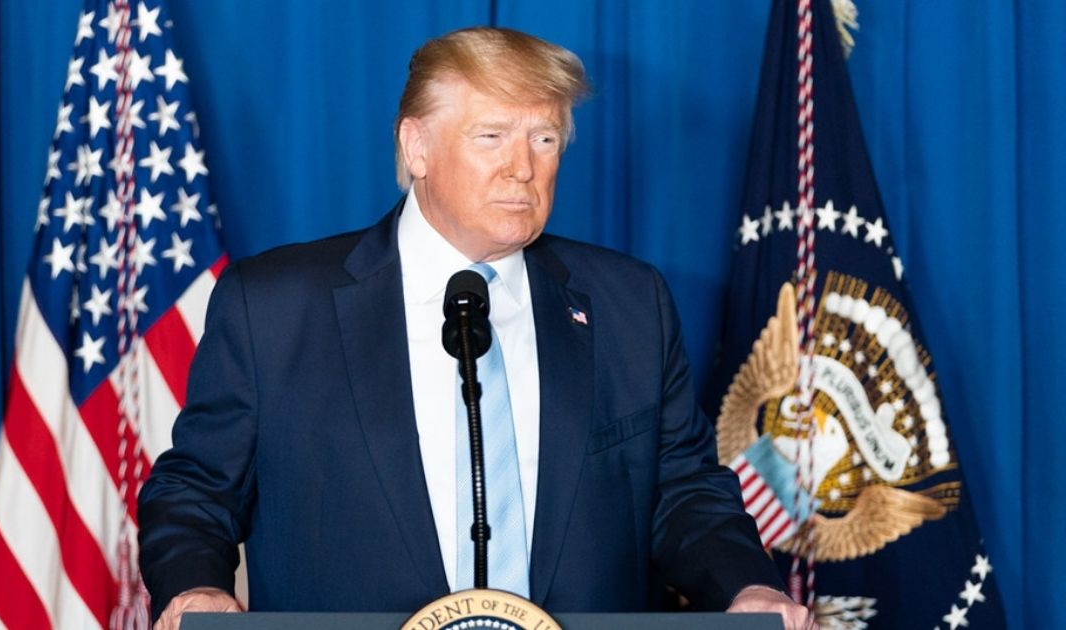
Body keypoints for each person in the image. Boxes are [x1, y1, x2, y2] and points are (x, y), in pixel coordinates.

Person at [138, 26, 813, 630]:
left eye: (544, 139)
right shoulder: (277, 307)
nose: (523, 167)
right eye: (491, 136)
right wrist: (197, 587)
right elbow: (195, 490)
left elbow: (685, 495)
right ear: (417, 145)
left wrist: (745, 587)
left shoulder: (629, 303)